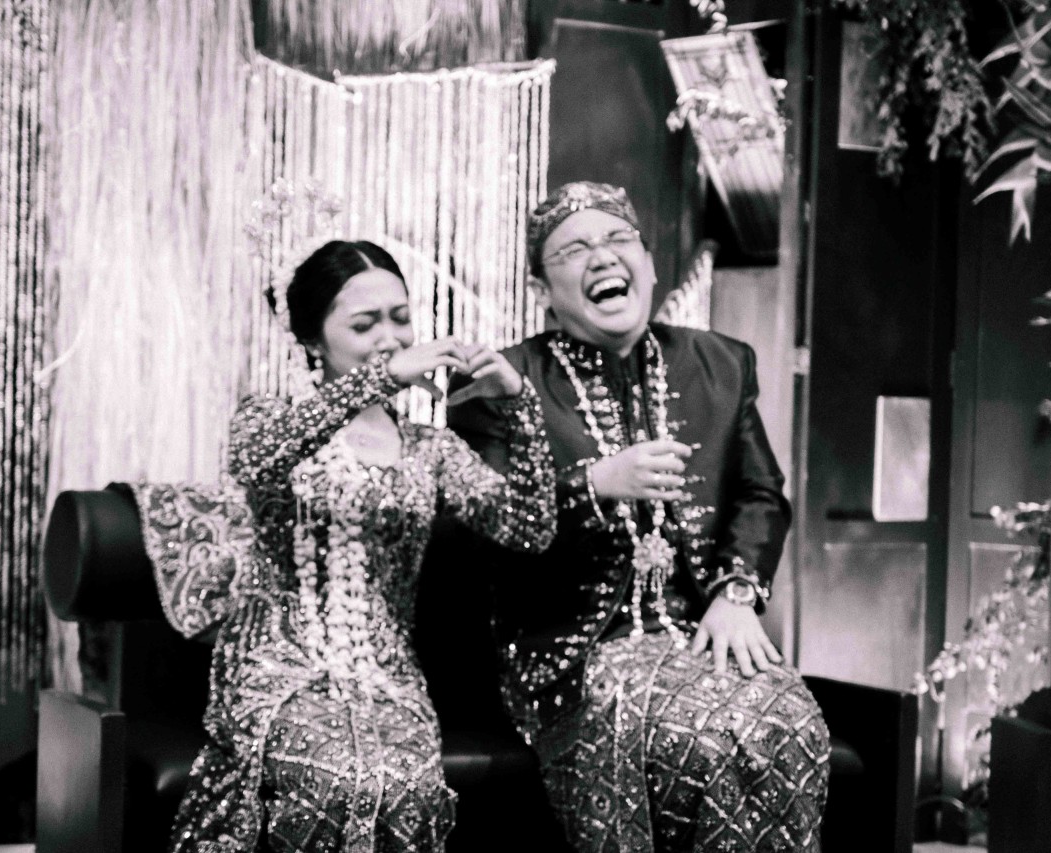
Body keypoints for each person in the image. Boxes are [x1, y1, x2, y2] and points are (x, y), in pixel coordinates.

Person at [130, 240, 556, 853]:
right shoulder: (267, 418)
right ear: (312, 339)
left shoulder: (428, 446)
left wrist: (519, 403)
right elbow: (256, 462)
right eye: (365, 324)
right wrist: (382, 378)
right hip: (277, 667)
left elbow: (530, 527)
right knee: (335, 781)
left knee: (407, 787)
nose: (391, 337)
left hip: (388, 677)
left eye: (400, 318)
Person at [447, 182, 831, 851]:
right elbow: (483, 531)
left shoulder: (719, 363)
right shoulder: (500, 380)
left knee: (790, 726)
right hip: (571, 646)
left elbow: (760, 494)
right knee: (696, 743)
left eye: (619, 239)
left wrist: (737, 593)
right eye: (574, 250)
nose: (602, 256)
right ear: (541, 289)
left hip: (703, 629)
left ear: (649, 266)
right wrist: (594, 485)